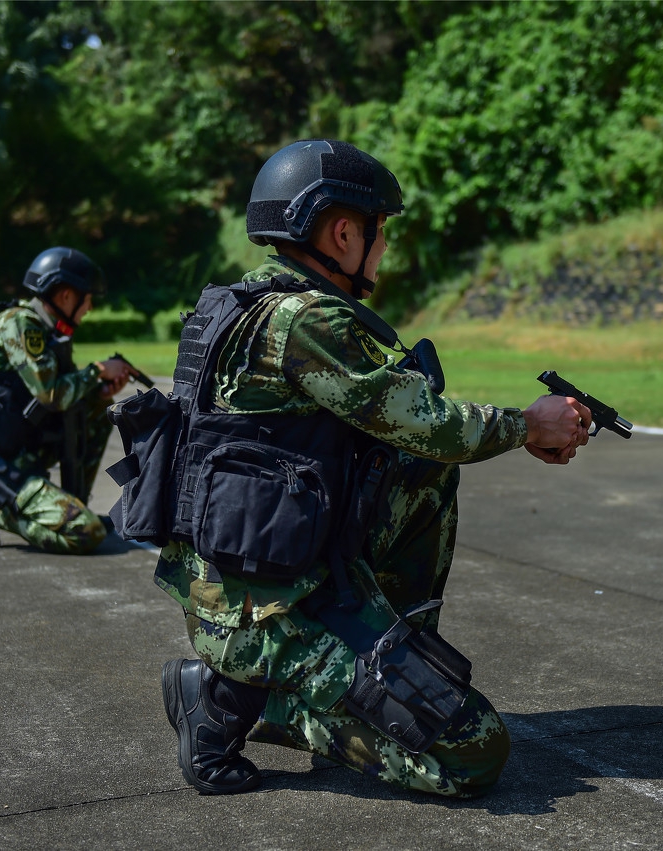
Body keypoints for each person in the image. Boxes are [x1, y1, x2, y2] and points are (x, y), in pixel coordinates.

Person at [149, 140, 591, 799]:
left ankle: (356, 662)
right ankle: (229, 700)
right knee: (474, 753)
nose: (383, 250)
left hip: (251, 585)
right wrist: (529, 425)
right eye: (379, 232)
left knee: (418, 467)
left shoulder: (241, 307)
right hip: (267, 615)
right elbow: (428, 423)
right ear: (343, 232)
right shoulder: (306, 320)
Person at [0, 247, 131, 554]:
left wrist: (99, 394)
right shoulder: (20, 324)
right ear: (66, 296)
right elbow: (52, 395)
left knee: (97, 412)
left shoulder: (48, 331)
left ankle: (73, 505)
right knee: (87, 534)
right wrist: (97, 370)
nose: (89, 308)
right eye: (87, 299)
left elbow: (66, 397)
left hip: (19, 445)